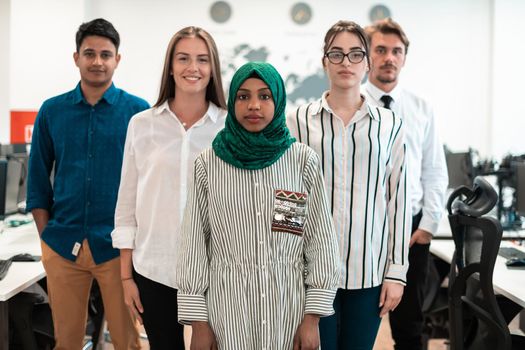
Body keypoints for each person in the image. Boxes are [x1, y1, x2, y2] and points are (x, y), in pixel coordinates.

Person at [175, 62, 340, 350]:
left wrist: (312, 320)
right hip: (227, 313)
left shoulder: (301, 161)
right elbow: (194, 244)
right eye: (243, 96)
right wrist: (199, 325)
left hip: (288, 311)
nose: (254, 105)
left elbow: (320, 242)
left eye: (264, 96)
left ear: (277, 101)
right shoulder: (208, 164)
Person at [26, 18, 149, 349]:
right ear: (76, 57)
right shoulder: (52, 111)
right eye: (90, 53)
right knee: (66, 341)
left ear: (117, 60)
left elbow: (149, 184)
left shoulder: (138, 113)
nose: (98, 62)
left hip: (119, 250)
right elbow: (37, 180)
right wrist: (47, 239)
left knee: (127, 340)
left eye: (106, 55)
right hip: (63, 245)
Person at [287, 20, 410, 349]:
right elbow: (287, 197)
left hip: (367, 271)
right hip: (309, 272)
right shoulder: (297, 120)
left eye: (356, 54)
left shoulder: (391, 125)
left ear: (367, 62)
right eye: (336, 54)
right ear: (324, 61)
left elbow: (398, 200)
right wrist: (285, 268)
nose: (346, 62)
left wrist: (396, 273)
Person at [111, 26, 227, 349]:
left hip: (214, 272)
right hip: (154, 269)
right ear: (171, 66)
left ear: (213, 68)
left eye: (203, 60)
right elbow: (126, 207)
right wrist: (125, 277)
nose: (194, 68)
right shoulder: (142, 125)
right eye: (184, 58)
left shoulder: (229, 128)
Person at [363, 18, 448, 350]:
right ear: (368, 55)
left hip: (411, 230)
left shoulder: (421, 108)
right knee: (358, 318)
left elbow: (435, 171)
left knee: (410, 325)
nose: (389, 58)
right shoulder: (352, 105)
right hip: (364, 226)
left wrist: (427, 226)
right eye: (381, 50)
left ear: (404, 58)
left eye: (396, 51)